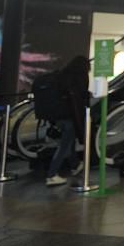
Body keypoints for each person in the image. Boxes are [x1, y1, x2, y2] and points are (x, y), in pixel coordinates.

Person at [45, 55, 90, 187]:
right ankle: (51, 175)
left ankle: (75, 165)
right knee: (64, 146)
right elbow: (80, 97)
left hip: (58, 115)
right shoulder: (80, 76)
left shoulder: (62, 75)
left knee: (69, 143)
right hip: (70, 116)